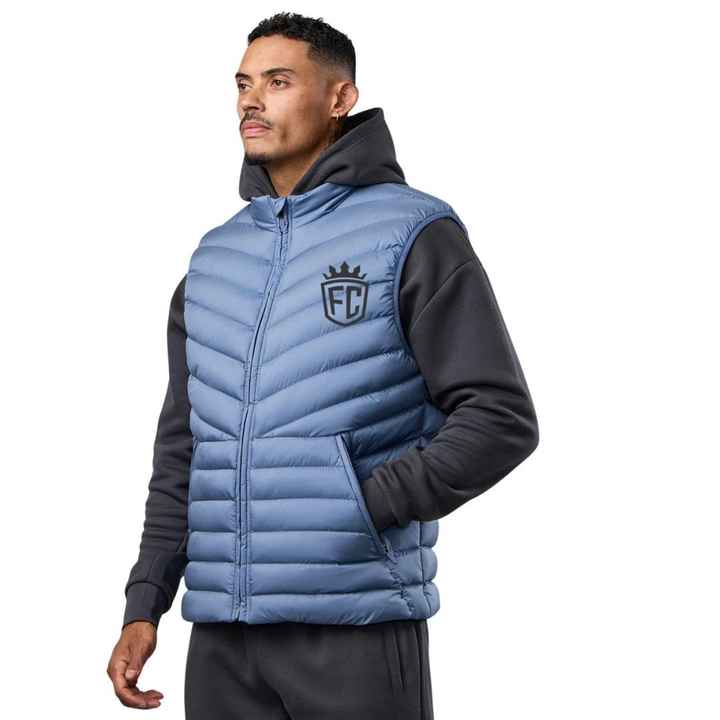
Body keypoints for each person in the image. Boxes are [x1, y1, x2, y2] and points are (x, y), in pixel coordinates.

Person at [107, 12, 539, 720]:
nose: (252, 101)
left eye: (278, 82)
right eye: (243, 84)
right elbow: (184, 448)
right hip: (222, 638)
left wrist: (364, 505)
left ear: (341, 98)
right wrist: (145, 600)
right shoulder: (213, 261)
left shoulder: (413, 233)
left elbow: (500, 417)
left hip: (355, 626)